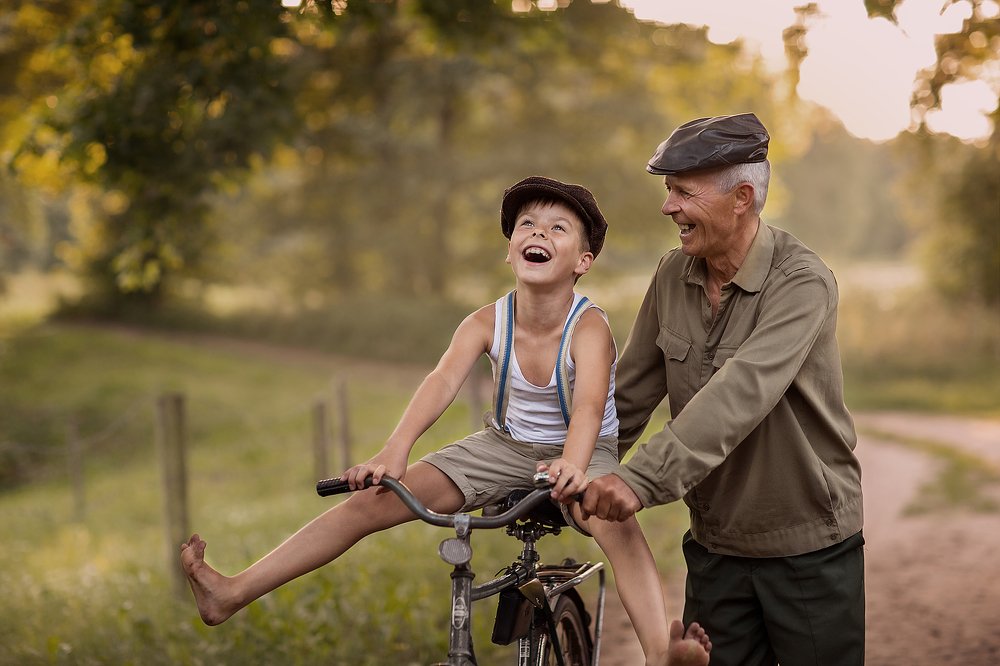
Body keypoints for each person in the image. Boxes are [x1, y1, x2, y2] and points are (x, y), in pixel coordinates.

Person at [180, 175, 712, 666]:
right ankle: (231, 593)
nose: (538, 232)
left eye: (557, 228)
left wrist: (573, 466)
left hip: (582, 448)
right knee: (373, 500)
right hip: (503, 447)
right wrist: (396, 450)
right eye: (527, 224)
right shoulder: (486, 321)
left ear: (582, 261)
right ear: (510, 250)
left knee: (618, 526)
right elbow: (440, 382)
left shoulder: (589, 326)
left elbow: (592, 405)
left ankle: (663, 653)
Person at [580, 113, 865, 666]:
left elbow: (741, 394)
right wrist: (565, 460)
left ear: (740, 198)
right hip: (716, 550)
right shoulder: (672, 275)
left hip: (808, 550)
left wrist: (638, 480)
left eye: (683, 192)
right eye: (669, 192)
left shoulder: (801, 282)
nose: (668, 207)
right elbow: (628, 394)